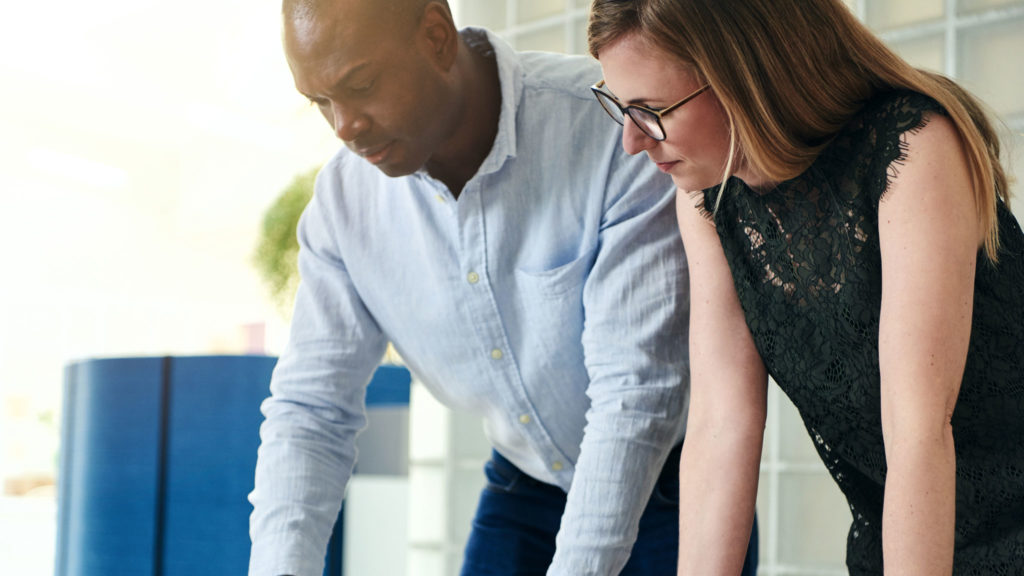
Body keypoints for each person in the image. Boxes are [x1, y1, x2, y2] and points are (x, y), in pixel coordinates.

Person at [250, 1, 759, 575]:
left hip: (669, 483)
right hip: (524, 485)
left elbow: (633, 397)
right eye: (320, 102)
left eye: (361, 84)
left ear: (437, 36)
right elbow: (310, 413)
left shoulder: (611, 133)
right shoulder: (344, 208)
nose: (343, 126)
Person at [586, 0, 1024, 574]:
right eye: (620, 107)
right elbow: (721, 425)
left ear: (744, 76)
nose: (633, 143)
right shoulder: (708, 197)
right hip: (895, 536)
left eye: (651, 110)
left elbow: (917, 429)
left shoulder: (914, 146)